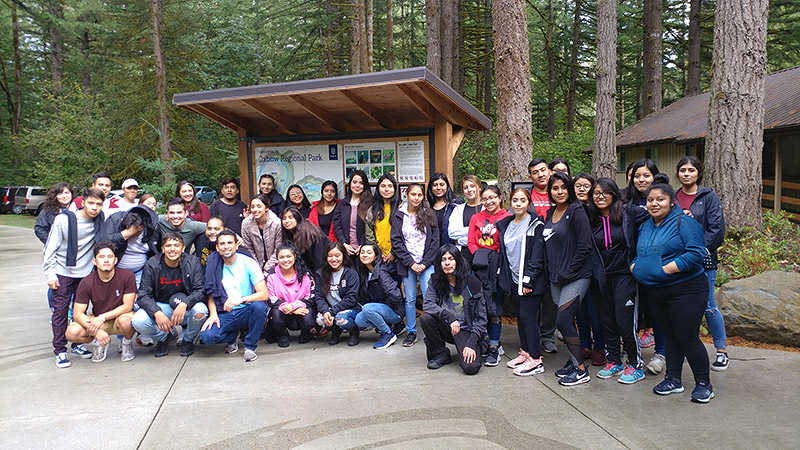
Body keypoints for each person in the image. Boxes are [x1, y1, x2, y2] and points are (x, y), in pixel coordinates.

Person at [631, 180, 714, 403]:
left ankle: (704, 383)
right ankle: (673, 379)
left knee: (687, 338)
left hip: (686, 291)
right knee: (670, 337)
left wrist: (666, 268)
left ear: (671, 201)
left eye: (660, 199)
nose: (654, 204)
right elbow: (639, 252)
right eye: (650, 200)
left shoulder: (684, 222)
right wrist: (635, 266)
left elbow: (697, 252)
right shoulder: (646, 225)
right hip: (657, 292)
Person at [587, 178, 645, 384]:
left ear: (613, 194)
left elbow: (654, 214)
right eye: (596, 193)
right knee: (607, 322)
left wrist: (680, 213)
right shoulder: (590, 218)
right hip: (602, 278)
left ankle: (636, 364)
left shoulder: (628, 212)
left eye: (605, 193)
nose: (600, 197)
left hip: (625, 276)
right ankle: (614, 361)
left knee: (625, 321)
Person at [43, 187, 108, 368]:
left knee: (81, 311)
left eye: (98, 204)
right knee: (61, 312)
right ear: (83, 202)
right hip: (63, 271)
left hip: (85, 273)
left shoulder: (99, 220)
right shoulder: (64, 219)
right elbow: (50, 248)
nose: (94, 208)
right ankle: (60, 350)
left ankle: (78, 343)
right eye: (91, 203)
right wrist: (50, 273)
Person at [676, 156, 729, 371]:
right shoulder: (673, 196)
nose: (686, 174)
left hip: (703, 261)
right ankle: (685, 349)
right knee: (681, 307)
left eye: (691, 170)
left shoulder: (708, 197)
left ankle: (722, 351)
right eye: (682, 170)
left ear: (699, 173)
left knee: (708, 306)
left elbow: (717, 230)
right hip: (677, 261)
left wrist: (698, 251)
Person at [544, 172, 596, 386]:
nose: (560, 192)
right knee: (568, 321)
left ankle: (581, 370)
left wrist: (569, 271)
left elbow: (585, 245)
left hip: (576, 276)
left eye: (563, 187)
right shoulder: (550, 212)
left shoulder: (577, 211)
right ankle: (574, 362)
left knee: (563, 320)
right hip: (556, 277)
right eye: (555, 188)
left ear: (570, 189)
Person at [131, 232, 208, 357]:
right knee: (138, 321)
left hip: (185, 307)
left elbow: (200, 290)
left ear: (183, 248)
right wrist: (157, 312)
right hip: (161, 306)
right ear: (162, 248)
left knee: (201, 310)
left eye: (176, 245)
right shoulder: (152, 264)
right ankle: (163, 338)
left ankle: (188, 339)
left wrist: (185, 303)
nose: (172, 249)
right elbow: (143, 295)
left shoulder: (193, 262)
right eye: (168, 246)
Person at [496, 188, 547, 376]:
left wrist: (528, 280)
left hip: (530, 281)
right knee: (520, 318)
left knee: (527, 317)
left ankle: (535, 360)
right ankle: (525, 352)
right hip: (514, 280)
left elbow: (537, 256)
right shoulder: (506, 224)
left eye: (522, 200)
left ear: (529, 203)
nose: (518, 204)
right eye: (515, 200)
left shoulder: (535, 224)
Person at [200, 230, 269, 362]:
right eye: (222, 243)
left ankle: (250, 346)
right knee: (207, 336)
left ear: (237, 245)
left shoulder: (248, 263)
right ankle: (232, 337)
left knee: (259, 307)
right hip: (225, 312)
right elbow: (211, 293)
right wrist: (213, 314)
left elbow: (264, 294)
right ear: (217, 247)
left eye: (230, 243)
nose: (226, 246)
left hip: (246, 310)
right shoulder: (213, 263)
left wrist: (241, 300)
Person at [625, 159, 666, 374]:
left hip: (657, 266)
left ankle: (661, 353)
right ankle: (632, 354)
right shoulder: (625, 200)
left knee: (657, 310)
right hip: (632, 265)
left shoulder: (664, 200)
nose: (642, 179)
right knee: (633, 310)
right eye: (637, 176)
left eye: (647, 175)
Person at [64, 241, 137, 364]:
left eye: (110, 257)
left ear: (115, 260)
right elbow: (77, 314)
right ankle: (100, 343)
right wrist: (96, 331)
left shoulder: (127, 276)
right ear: (94, 261)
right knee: (71, 332)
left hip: (120, 317)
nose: (106, 260)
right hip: (98, 320)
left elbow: (127, 306)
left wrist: (102, 317)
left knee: (127, 322)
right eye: (102, 257)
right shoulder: (86, 282)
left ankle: (126, 343)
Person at [420, 245, 487, 375]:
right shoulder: (435, 280)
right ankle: (440, 353)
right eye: (443, 259)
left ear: (458, 261)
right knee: (426, 318)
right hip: (447, 326)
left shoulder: (472, 283)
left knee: (470, 368)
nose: (447, 263)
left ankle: (472, 347)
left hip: (466, 330)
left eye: (451, 259)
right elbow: (428, 304)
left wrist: (472, 343)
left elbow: (481, 318)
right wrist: (450, 317)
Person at [466, 185, 511, 366]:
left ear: (500, 198)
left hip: (498, 267)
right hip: (479, 266)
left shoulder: (507, 217)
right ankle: (484, 340)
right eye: (485, 198)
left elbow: (507, 242)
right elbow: (471, 241)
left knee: (494, 306)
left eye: (492, 197)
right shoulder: (476, 217)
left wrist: (494, 258)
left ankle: (494, 346)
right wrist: (481, 256)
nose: (489, 201)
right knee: (480, 305)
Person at [391, 183, 439, 348]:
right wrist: (411, 263)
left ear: (423, 197)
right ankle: (411, 331)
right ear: (407, 195)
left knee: (429, 297)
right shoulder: (399, 215)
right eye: (413, 194)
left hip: (426, 263)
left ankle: (432, 331)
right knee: (410, 299)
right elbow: (396, 242)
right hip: (407, 264)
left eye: (419, 195)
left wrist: (424, 263)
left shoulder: (429, 214)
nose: (416, 198)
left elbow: (435, 241)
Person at [572, 173, 606, 366]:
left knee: (595, 311)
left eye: (586, 186)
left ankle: (600, 347)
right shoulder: (571, 209)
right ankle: (584, 344)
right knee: (580, 310)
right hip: (576, 268)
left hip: (595, 268)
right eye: (578, 185)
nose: (582, 189)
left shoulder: (597, 211)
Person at [35, 183, 78, 323]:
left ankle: (71, 313)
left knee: (72, 283)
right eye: (60, 193)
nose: (64, 196)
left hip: (75, 253)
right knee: (56, 282)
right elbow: (39, 228)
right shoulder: (48, 211)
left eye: (67, 192)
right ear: (55, 196)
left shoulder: (78, 208)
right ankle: (56, 310)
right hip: (57, 253)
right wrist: (52, 242)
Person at [527, 158, 558, 354]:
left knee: (551, 298)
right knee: (533, 294)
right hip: (532, 252)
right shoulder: (525, 196)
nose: (540, 174)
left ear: (549, 171)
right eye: (535, 172)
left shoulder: (558, 191)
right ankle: (532, 335)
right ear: (530, 176)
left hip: (555, 251)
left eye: (543, 170)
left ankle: (547, 336)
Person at [354, 243, 404, 349]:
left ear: (376, 256)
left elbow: (396, 296)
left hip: (395, 311)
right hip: (381, 308)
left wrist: (382, 307)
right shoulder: (364, 273)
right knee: (359, 319)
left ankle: (388, 333)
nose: (364, 255)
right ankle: (388, 326)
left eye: (369, 252)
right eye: (362, 252)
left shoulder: (382, 272)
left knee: (368, 308)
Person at [266, 244, 316, 347]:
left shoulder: (305, 274)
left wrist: (293, 306)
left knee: (309, 318)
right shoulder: (271, 276)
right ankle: (282, 334)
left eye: (288, 256)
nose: (285, 260)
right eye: (281, 257)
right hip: (282, 311)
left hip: (300, 311)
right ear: (277, 259)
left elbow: (310, 297)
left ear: (295, 257)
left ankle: (305, 332)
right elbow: (271, 299)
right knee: (274, 315)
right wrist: (291, 309)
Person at [314, 242, 362, 346]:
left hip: (350, 309)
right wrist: (325, 311)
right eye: (330, 256)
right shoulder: (320, 273)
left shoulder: (350, 273)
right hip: (331, 309)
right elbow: (318, 296)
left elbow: (351, 298)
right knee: (320, 319)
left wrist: (331, 312)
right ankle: (335, 332)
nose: (334, 259)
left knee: (341, 318)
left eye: (337, 255)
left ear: (343, 256)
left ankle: (354, 332)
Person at [106, 205, 161, 285]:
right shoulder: (115, 220)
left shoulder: (151, 227)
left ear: (142, 227)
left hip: (140, 271)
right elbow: (103, 243)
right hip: (115, 270)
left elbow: (157, 250)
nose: (134, 234)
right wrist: (125, 235)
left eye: (137, 232)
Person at [333, 170, 372, 259]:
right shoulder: (342, 204)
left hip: (365, 251)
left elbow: (371, 228)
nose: (357, 185)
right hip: (345, 250)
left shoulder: (371, 204)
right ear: (350, 184)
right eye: (354, 182)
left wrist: (362, 245)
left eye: (361, 183)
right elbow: (337, 225)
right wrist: (344, 244)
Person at [241, 194, 282, 274]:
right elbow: (248, 248)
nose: (255, 209)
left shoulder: (276, 222)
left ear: (266, 207)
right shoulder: (246, 224)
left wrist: (267, 268)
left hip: (276, 264)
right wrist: (257, 268)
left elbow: (279, 248)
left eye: (259, 206)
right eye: (253, 207)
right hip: (254, 265)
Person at [280, 206, 328, 273]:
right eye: (284, 219)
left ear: (297, 218)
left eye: (290, 217)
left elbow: (318, 259)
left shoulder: (307, 232)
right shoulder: (289, 233)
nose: (287, 221)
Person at [365, 173, 400, 264]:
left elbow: (405, 234)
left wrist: (393, 253)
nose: (386, 189)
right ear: (378, 189)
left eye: (390, 186)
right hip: (379, 257)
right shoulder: (372, 210)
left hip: (399, 256)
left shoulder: (402, 208)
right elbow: (369, 236)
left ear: (395, 189)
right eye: (383, 186)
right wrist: (378, 252)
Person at [448, 175, 483, 253]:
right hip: (463, 254)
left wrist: (460, 241)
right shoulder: (458, 209)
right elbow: (452, 233)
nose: (469, 190)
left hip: (482, 254)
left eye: (472, 186)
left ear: (479, 188)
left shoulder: (486, 208)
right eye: (466, 188)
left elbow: (487, 234)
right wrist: (475, 230)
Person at [427, 172, 463, 246]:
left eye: (442, 184)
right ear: (431, 187)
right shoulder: (426, 206)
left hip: (452, 249)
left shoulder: (456, 203)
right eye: (435, 185)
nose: (438, 188)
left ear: (447, 186)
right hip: (432, 249)